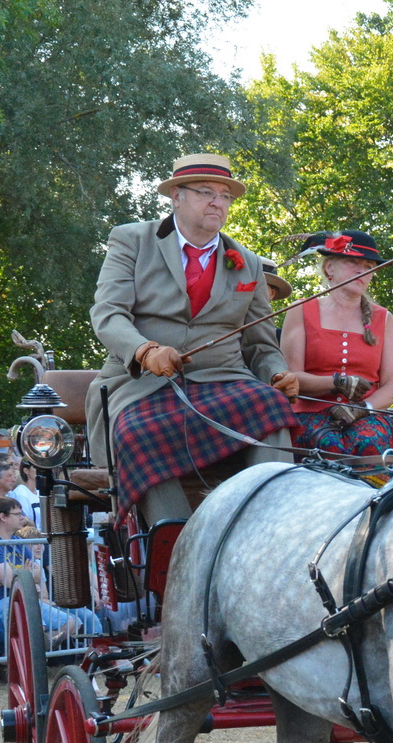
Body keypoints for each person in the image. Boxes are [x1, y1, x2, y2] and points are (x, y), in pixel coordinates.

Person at [87, 153, 296, 525]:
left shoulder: (247, 262)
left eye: (225, 195)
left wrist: (278, 373)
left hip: (224, 380)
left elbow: (262, 346)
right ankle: (170, 543)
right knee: (137, 433)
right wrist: (144, 350)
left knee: (271, 406)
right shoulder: (131, 240)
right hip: (141, 385)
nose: (218, 202)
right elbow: (108, 314)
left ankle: (271, 525)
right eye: (206, 192)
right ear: (176, 196)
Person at [277, 229, 393, 462]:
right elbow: (290, 378)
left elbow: (391, 387)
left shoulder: (384, 319)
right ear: (330, 268)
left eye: (369, 267)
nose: (362, 271)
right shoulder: (300, 309)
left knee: (369, 443)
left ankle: (377, 500)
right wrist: (336, 383)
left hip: (365, 416)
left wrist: (362, 408)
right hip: (310, 415)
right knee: (330, 445)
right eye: (353, 263)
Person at [0, 497, 99, 643]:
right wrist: (22, 575)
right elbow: (11, 581)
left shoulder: (18, 541)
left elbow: (36, 575)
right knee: (37, 626)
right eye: (17, 514)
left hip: (22, 597)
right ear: (2, 517)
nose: (22, 517)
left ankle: (43, 647)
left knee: (71, 623)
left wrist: (21, 576)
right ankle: (37, 653)